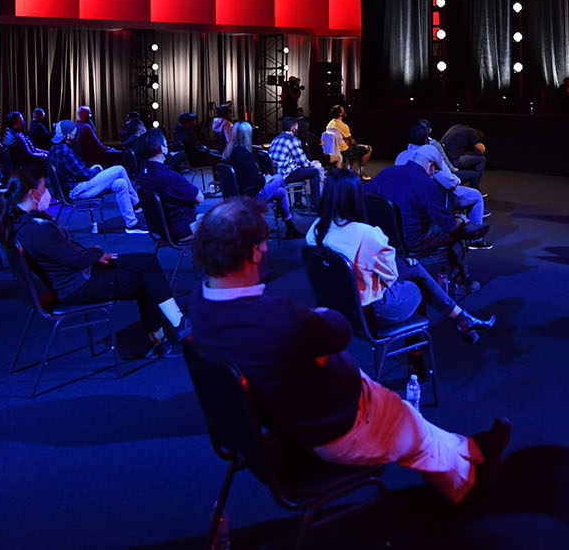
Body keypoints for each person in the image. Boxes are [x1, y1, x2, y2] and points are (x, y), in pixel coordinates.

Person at [187, 198, 512, 503]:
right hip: (336, 428)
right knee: (414, 430)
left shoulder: (200, 305)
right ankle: (471, 482)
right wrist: (317, 319)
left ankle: (472, 453)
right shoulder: (278, 320)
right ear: (256, 252)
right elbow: (339, 330)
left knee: (412, 422)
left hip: (294, 419)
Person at [0, 167, 187, 357]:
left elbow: (66, 253)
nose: (48, 192)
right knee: (145, 280)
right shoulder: (35, 229)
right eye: (44, 188)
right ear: (33, 194)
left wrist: (94, 255)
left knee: (146, 261)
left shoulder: (20, 223)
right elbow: (74, 260)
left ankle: (176, 325)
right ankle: (162, 338)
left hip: (74, 276)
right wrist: (96, 252)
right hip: (76, 285)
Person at [309, 171, 495, 341]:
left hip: (338, 305)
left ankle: (462, 318)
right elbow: (390, 278)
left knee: (411, 265)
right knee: (418, 283)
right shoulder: (367, 234)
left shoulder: (315, 230)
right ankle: (418, 363)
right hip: (375, 312)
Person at [366, 148, 485, 294]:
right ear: (431, 165)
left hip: (384, 236)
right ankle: (461, 283)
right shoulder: (428, 185)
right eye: (435, 170)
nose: (434, 173)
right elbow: (447, 225)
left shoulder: (387, 172)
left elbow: (364, 196)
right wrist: (461, 219)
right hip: (413, 241)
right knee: (457, 232)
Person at [396, 127, 489, 247]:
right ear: (426, 140)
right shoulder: (429, 154)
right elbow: (449, 182)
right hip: (436, 199)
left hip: (410, 202)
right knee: (476, 195)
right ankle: (475, 240)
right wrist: (457, 180)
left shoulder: (401, 156)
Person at [51, 120, 147, 234]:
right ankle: (136, 204)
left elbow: (76, 172)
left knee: (121, 183)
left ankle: (132, 224)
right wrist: (97, 170)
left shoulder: (55, 149)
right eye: (74, 132)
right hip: (78, 189)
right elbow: (84, 175)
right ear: (68, 135)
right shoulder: (64, 151)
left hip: (77, 187)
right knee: (119, 169)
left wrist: (92, 170)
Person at [224, 121, 300, 239]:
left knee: (281, 192)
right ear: (247, 135)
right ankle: (283, 216)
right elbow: (256, 182)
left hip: (238, 194)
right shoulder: (244, 154)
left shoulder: (230, 150)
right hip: (251, 196)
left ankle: (290, 226)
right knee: (279, 177)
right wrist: (266, 179)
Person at [136, 129, 203, 241]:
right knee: (228, 220)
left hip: (162, 228)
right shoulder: (169, 176)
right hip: (183, 228)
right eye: (166, 143)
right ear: (161, 149)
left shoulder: (143, 174)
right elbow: (200, 198)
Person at [270, 115, 323, 206]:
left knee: (299, 169)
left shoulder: (276, 139)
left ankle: (298, 202)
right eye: (297, 127)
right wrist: (313, 163)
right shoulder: (293, 140)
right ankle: (316, 204)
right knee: (314, 172)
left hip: (275, 174)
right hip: (284, 175)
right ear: (293, 128)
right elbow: (303, 162)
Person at [326, 104, 371, 176]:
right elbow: (351, 141)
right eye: (343, 110)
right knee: (368, 149)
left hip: (333, 150)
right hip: (344, 151)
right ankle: (359, 172)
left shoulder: (329, 124)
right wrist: (355, 144)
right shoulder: (343, 126)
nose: (344, 111)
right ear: (340, 113)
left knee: (351, 147)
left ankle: (349, 169)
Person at [440, 123, 487, 188]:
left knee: (469, 157)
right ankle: (475, 187)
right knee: (482, 159)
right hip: (453, 161)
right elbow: (480, 150)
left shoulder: (457, 127)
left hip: (443, 160)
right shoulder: (472, 133)